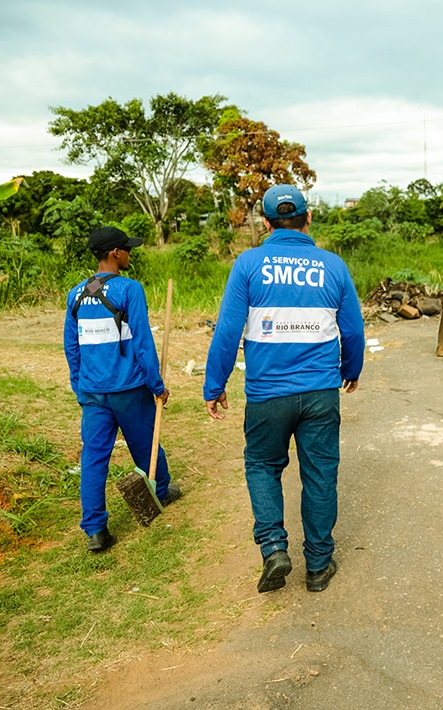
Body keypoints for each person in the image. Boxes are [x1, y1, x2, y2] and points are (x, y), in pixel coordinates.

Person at [203, 184, 365, 594]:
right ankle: (318, 565)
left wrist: (214, 383)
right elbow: (353, 330)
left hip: (266, 395)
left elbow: (227, 330)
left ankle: (274, 547)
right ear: (308, 218)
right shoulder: (333, 266)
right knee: (320, 474)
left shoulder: (249, 264)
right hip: (320, 393)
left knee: (261, 466)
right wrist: (352, 368)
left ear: (265, 222)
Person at [64, 226, 181, 553]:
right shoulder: (130, 289)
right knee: (146, 445)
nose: (130, 253)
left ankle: (96, 530)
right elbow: (142, 342)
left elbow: (71, 346)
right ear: (115, 253)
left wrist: (80, 386)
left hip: (93, 393)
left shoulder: (76, 294)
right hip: (128, 389)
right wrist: (157, 386)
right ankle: (160, 492)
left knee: (93, 458)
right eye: (127, 249)